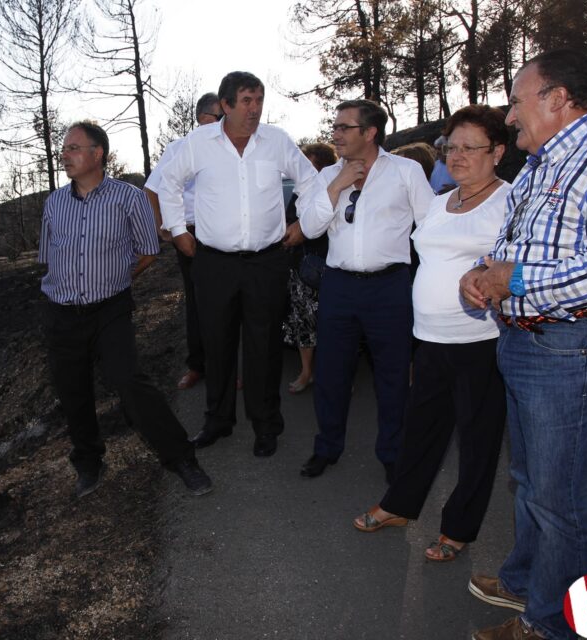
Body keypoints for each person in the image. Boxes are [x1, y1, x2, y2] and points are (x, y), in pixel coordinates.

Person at [459, 49, 587, 640]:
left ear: (558, 99)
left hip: (576, 348)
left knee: (565, 500)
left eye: (516, 100)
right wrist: (480, 272)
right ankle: (530, 581)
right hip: (530, 344)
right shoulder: (539, 163)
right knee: (532, 481)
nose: (509, 116)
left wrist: (517, 280)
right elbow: (513, 243)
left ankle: (554, 623)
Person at [351, 105, 511, 565]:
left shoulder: (511, 201)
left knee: (478, 440)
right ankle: (400, 504)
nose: (457, 156)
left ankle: (458, 529)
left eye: (470, 147)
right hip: (430, 336)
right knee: (423, 429)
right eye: (451, 146)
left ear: (497, 152)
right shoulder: (441, 201)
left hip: (480, 341)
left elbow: (511, 263)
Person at [38, 121, 213, 498]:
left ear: (97, 153)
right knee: (72, 391)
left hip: (110, 310)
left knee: (129, 382)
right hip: (62, 314)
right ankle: (88, 463)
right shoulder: (53, 203)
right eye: (64, 149)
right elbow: (47, 258)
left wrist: (114, 276)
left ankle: (182, 458)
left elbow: (148, 249)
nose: (64, 155)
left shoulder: (128, 197)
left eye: (72, 148)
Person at [156, 71, 317, 457]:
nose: (255, 109)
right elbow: (168, 183)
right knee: (217, 343)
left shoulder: (276, 141)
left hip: (266, 262)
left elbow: (310, 180)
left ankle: (266, 425)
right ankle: (218, 421)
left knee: (264, 347)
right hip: (214, 263)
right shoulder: (198, 144)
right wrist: (178, 230)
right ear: (225, 105)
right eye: (246, 101)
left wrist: (304, 224)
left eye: (259, 100)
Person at [297, 99, 435, 483]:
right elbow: (309, 228)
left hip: (389, 286)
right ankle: (327, 447)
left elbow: (429, 226)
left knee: (392, 376)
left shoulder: (406, 172)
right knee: (330, 373)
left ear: (370, 132)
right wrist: (337, 186)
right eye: (336, 126)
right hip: (339, 286)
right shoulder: (327, 175)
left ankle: (393, 454)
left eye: (344, 127)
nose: (336, 134)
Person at [144, 93, 223, 391]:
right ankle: (198, 365)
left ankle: (226, 365)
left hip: (224, 232)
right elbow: (151, 188)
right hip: (189, 233)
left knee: (225, 301)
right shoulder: (179, 148)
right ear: (205, 118)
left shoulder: (230, 149)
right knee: (196, 300)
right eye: (220, 116)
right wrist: (163, 227)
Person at [282, 142, 336, 394]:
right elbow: (289, 221)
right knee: (303, 323)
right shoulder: (299, 192)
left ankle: (334, 377)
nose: (304, 169)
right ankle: (307, 372)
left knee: (333, 326)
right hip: (301, 268)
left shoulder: (336, 188)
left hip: (332, 266)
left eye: (310, 164)